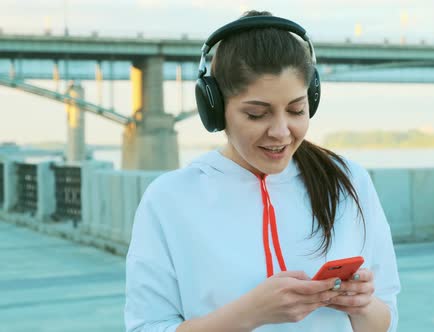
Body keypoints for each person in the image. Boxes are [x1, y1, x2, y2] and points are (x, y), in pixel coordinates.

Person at [124, 10, 401, 332]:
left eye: (297, 110)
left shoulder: (348, 180)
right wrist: (250, 313)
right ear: (214, 109)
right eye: (257, 114)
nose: (281, 132)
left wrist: (362, 305)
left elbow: (387, 321)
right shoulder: (170, 198)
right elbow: (146, 327)